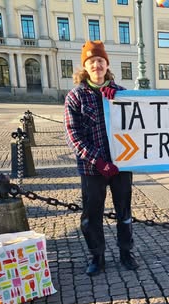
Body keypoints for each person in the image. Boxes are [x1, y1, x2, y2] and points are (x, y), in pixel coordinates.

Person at [64, 40, 139, 276]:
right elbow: (74, 135)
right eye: (91, 61)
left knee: (124, 211)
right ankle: (97, 256)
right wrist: (98, 160)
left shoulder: (121, 93)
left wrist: (119, 102)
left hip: (121, 164)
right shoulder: (76, 96)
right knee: (92, 214)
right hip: (92, 168)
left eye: (100, 61)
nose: (96, 65)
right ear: (85, 67)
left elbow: (137, 126)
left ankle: (126, 252)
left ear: (107, 64)